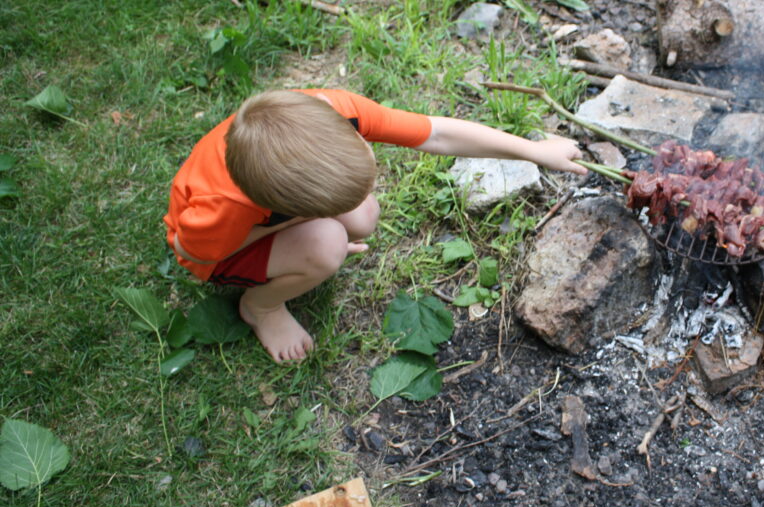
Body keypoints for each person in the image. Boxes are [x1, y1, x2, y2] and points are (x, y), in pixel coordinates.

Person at [164, 88, 587, 362]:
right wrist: (297, 230)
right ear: (286, 206)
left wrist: (534, 151)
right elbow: (191, 251)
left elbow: (436, 134)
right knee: (328, 243)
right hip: (220, 249)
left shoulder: (333, 112)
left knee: (363, 215)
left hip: (279, 214)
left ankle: (302, 245)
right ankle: (261, 306)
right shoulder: (223, 207)